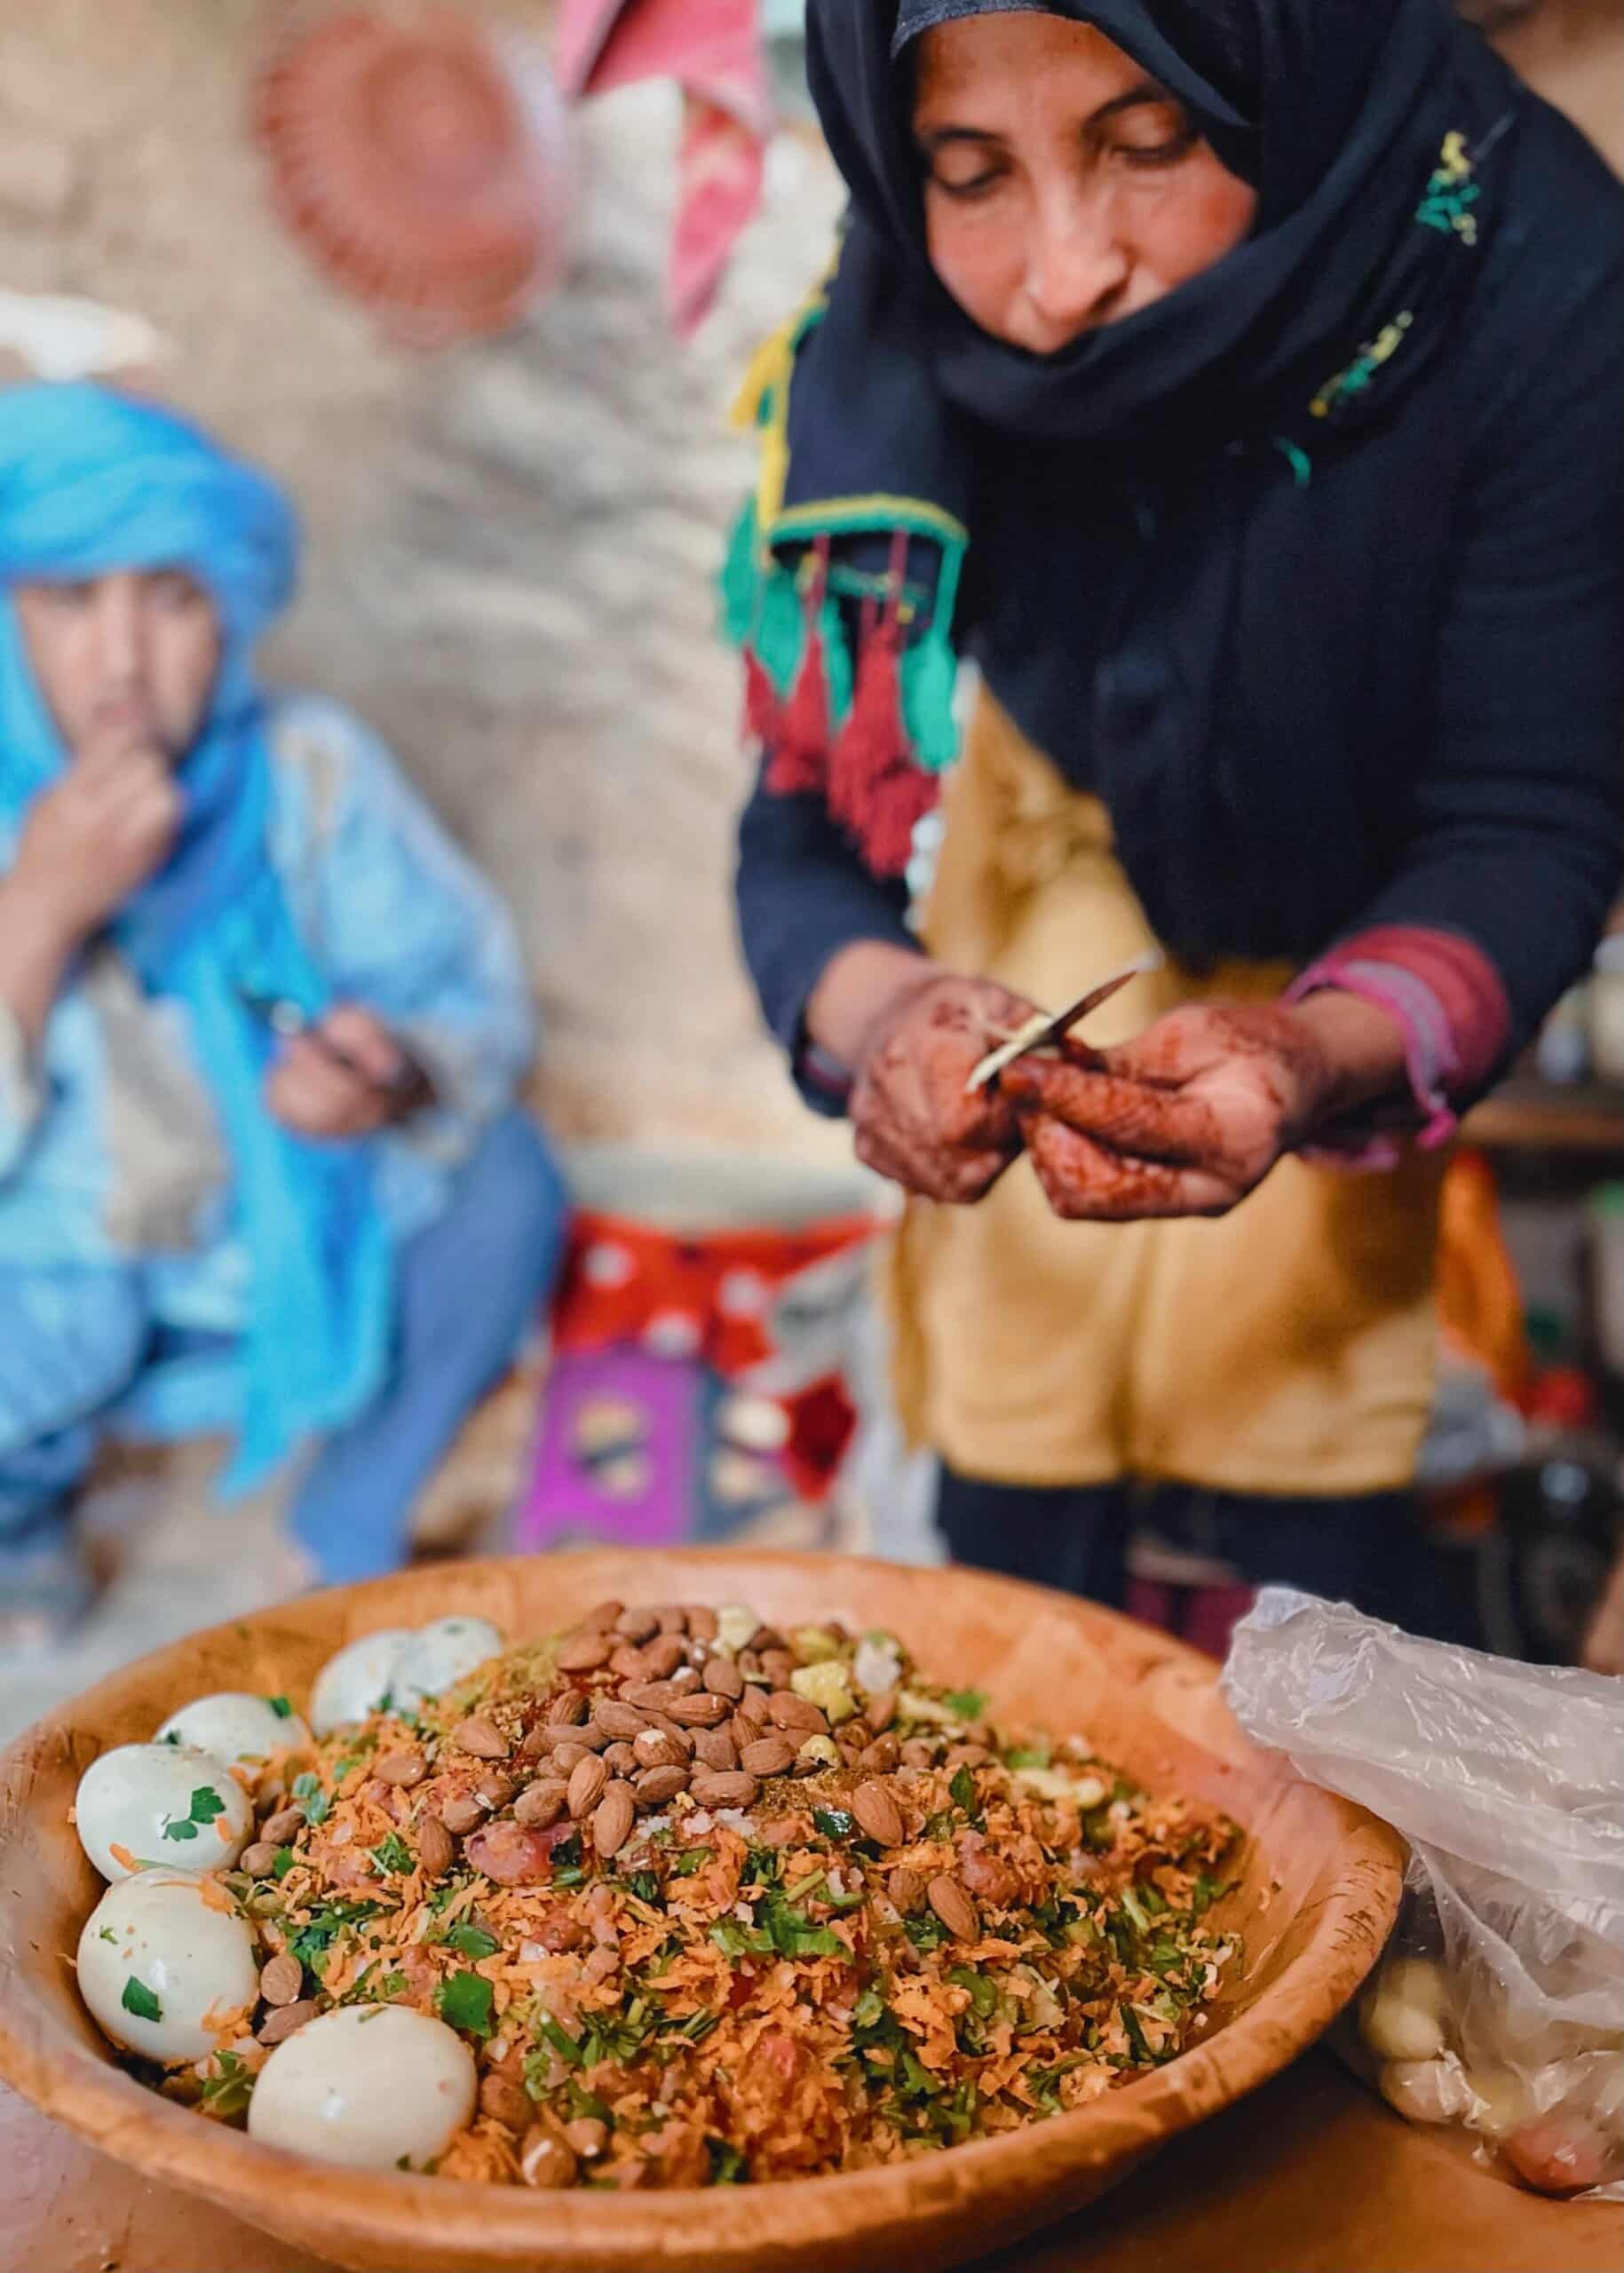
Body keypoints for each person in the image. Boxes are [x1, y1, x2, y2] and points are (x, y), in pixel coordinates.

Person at [730, 0, 1623, 1643]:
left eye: (1146, 145)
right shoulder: (897, 327)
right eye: (969, 170)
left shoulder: (1541, 284)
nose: (1062, 278)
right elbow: (801, 830)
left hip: (1354, 910)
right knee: (1009, 1549)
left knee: (1296, 1550)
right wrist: (891, 1018)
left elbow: (1530, 814)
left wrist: (1312, 1056)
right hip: (1054, 841)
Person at [0, 383, 568, 1644]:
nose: (123, 663)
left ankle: (345, 1526)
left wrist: (392, 1074)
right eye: (69, 602)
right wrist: (38, 911)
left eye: (176, 600)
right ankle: (20, 1519)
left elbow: (465, 997)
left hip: (264, 1245)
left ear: (233, 617)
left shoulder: (308, 777)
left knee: (506, 1190)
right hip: (53, 1268)